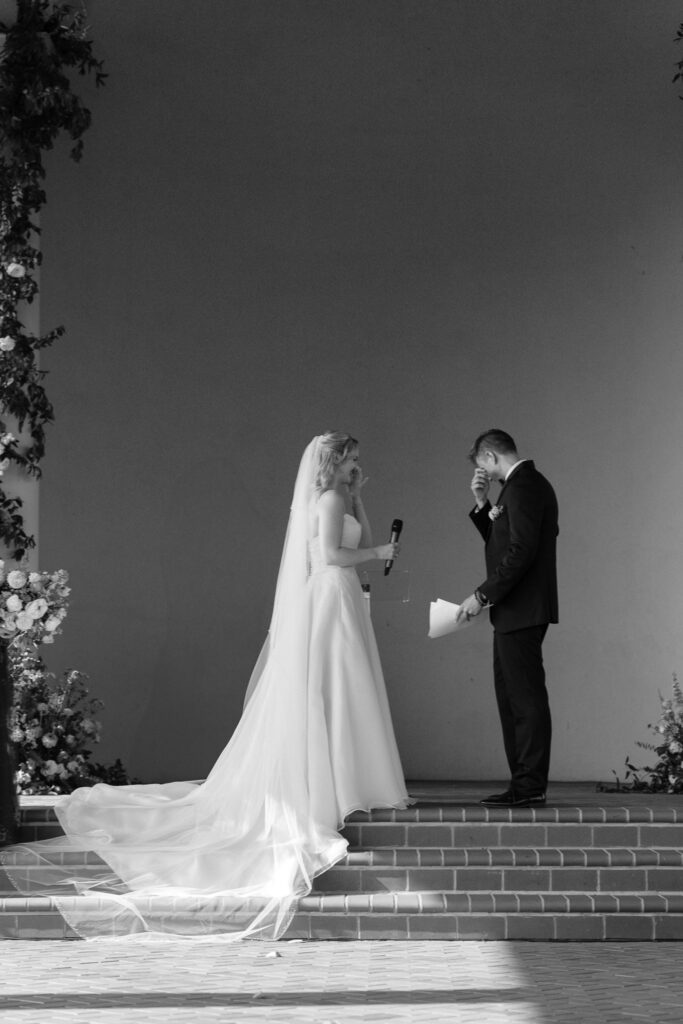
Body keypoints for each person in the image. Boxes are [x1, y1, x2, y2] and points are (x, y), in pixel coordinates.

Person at [0, 432, 410, 939]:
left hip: (343, 597)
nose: (356, 466)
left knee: (347, 692)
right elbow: (331, 554)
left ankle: (350, 776)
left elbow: (359, 537)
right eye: (351, 460)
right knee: (330, 691)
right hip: (331, 596)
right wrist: (376, 549)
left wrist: (363, 503)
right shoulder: (326, 499)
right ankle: (327, 783)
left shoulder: (342, 498)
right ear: (333, 461)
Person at [456, 429, 558, 808]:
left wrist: (482, 595)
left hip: (523, 607)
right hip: (513, 608)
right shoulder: (514, 488)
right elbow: (502, 542)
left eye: (480, 463)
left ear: (487, 455)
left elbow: (522, 550)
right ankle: (522, 782)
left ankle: (530, 786)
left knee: (525, 698)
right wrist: (482, 504)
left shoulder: (525, 485)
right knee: (510, 697)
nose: (481, 471)